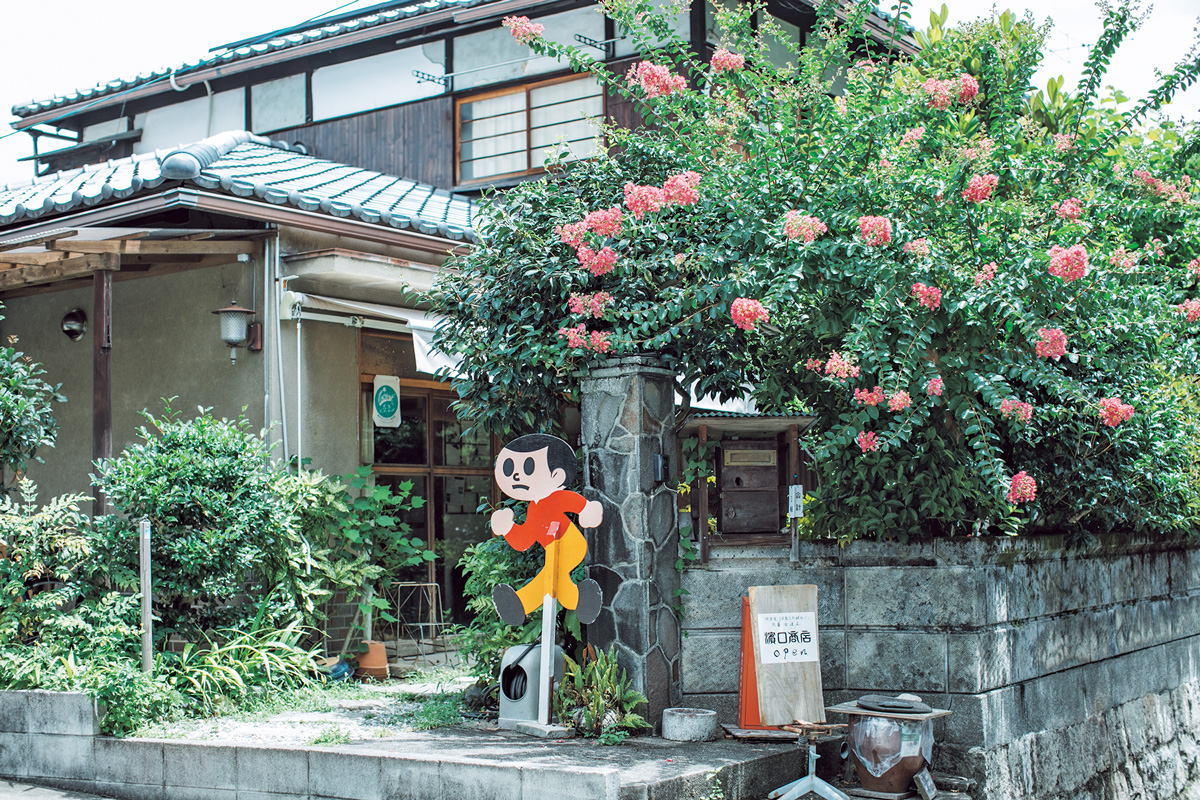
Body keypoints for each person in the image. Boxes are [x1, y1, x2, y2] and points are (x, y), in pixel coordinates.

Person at [490, 433, 604, 626]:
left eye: (528, 467)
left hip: (569, 543)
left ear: (556, 475)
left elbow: (574, 502)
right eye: (510, 468)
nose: (517, 475)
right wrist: (508, 528)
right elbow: (524, 540)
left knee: (551, 574)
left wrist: (587, 510)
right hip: (553, 546)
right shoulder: (533, 509)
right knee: (554, 580)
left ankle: (521, 604)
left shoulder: (554, 498)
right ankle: (581, 600)